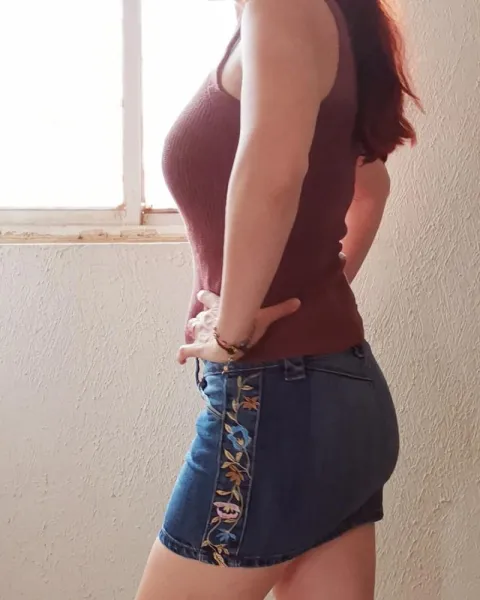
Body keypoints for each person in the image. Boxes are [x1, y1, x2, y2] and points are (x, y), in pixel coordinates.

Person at [135, 0, 419, 598]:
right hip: (335, 398)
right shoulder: (308, 18)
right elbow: (370, 188)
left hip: (275, 402)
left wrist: (232, 331)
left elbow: (272, 173)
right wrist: (310, 296)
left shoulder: (281, 7)